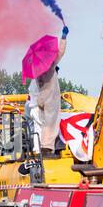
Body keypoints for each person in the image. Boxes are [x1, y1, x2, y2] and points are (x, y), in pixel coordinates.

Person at [28, 26, 68, 154]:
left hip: (40, 98)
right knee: (51, 122)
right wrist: (64, 37)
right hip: (50, 97)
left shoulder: (35, 67)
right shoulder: (49, 64)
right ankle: (47, 147)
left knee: (41, 124)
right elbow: (60, 52)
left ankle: (39, 148)